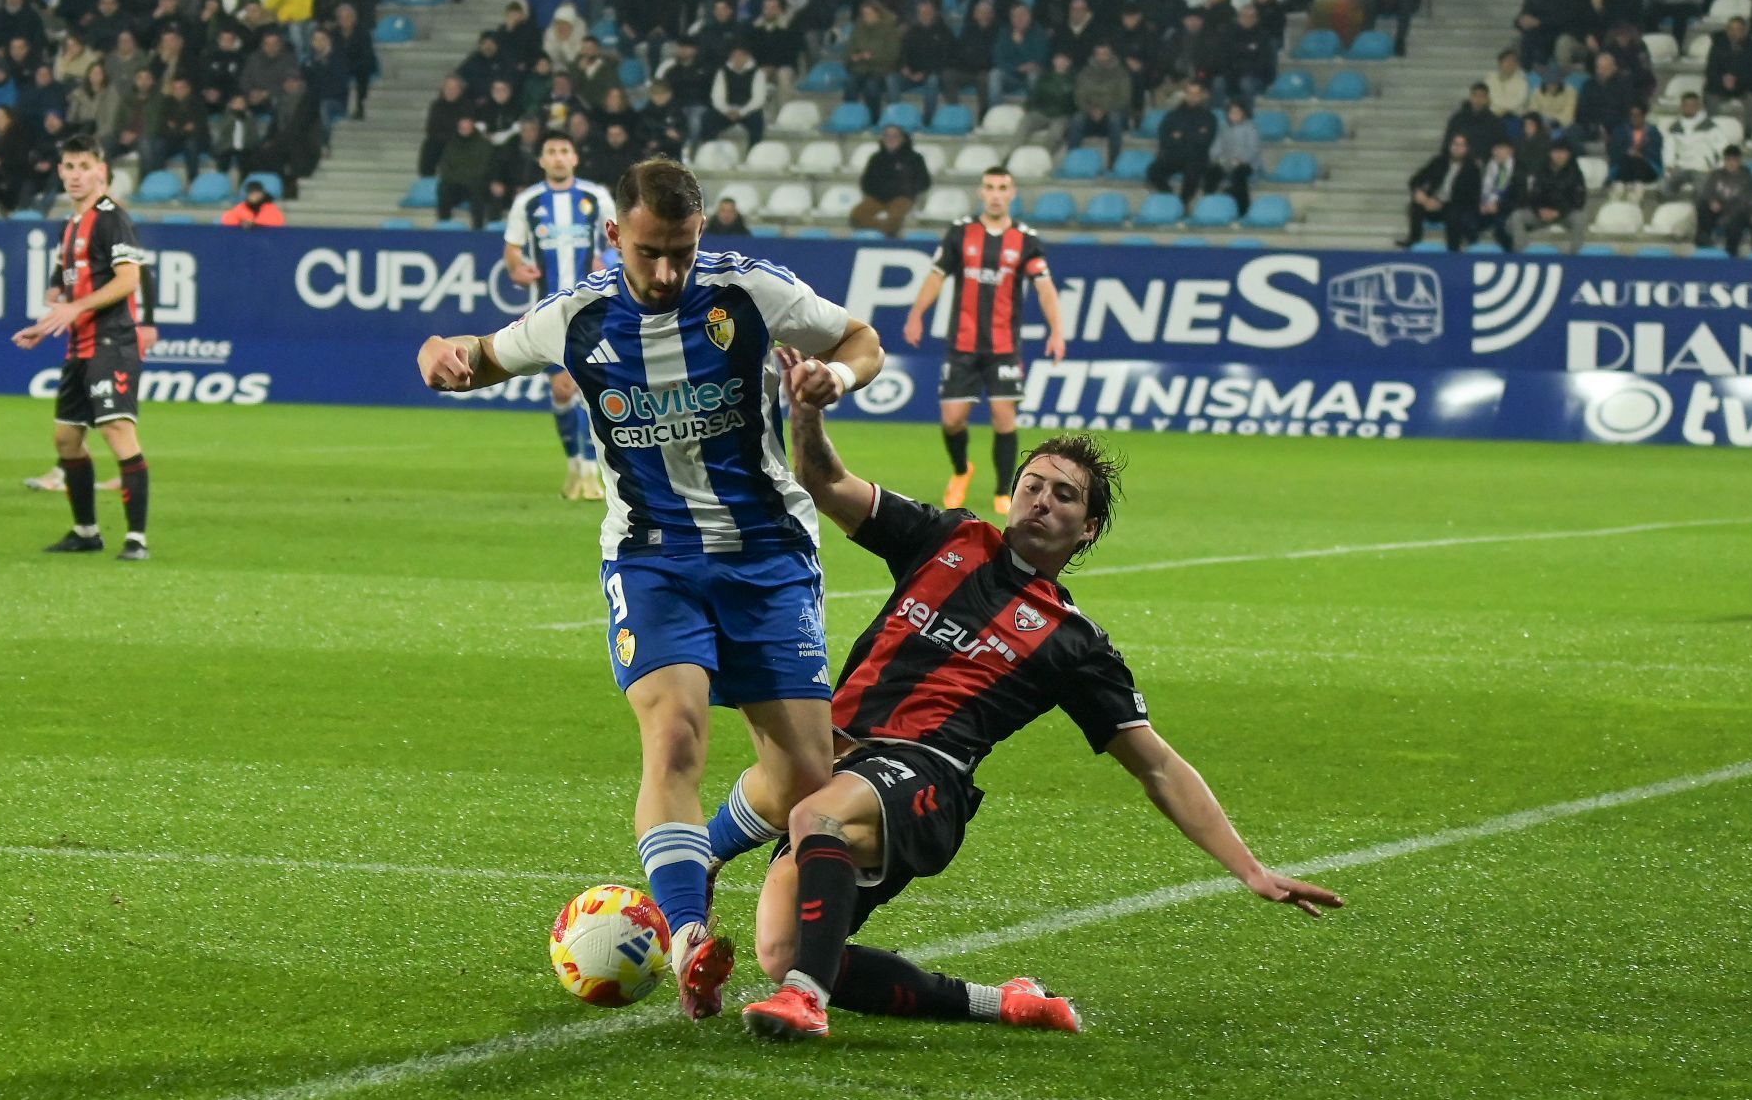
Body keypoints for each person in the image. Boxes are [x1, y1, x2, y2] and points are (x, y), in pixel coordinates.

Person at [415, 158, 884, 1022]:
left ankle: (694, 853)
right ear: (614, 237)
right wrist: (438, 354)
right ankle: (687, 938)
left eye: (681, 250)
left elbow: (862, 340)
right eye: (649, 252)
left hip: (768, 555)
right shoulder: (578, 317)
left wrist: (836, 379)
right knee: (674, 737)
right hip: (653, 555)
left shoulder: (749, 294)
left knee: (804, 780)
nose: (666, 271)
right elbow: (479, 357)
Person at [738, 402, 1344, 1041]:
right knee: (783, 952)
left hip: (928, 779)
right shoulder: (947, 538)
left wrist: (1249, 868)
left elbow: (1158, 766)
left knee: (816, 818)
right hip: (842, 760)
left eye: (1065, 495)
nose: (1042, 500)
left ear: (1089, 527)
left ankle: (806, 1002)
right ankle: (1009, 1004)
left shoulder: (1075, 643)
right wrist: (805, 413)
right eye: (1032, 484)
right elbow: (826, 482)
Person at [9, 135, 154, 562]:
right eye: (69, 167)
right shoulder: (71, 224)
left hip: (113, 341)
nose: (75, 175)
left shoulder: (111, 218)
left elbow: (129, 279)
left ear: (101, 171)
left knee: (116, 430)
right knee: (66, 439)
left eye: (83, 166)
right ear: (59, 172)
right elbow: (65, 292)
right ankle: (86, 531)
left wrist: (77, 308)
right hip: (80, 344)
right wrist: (45, 324)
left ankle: (137, 540)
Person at [901, 166, 1066, 511]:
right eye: (989, 187)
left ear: (1012, 193)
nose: (995, 193)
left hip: (1003, 347)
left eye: (1002, 187)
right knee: (952, 419)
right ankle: (962, 470)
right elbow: (936, 276)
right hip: (962, 344)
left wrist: (1057, 330)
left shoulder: (1025, 239)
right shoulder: (961, 233)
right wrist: (917, 314)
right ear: (981, 192)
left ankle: (1004, 492)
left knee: (1004, 416)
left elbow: (1045, 288)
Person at [501, 130, 617, 502]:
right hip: (546, 309)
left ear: (574, 158)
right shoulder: (528, 202)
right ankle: (576, 467)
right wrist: (516, 268)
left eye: (564, 151)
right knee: (562, 389)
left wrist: (608, 260)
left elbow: (620, 242)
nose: (558, 157)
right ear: (542, 160)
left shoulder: (595, 197)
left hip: (591, 309)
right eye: (551, 151)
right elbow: (512, 250)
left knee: (581, 386)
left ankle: (588, 473)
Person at [1502, 138, 1587, 252]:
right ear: (1550, 153)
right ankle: (1520, 254)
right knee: (1517, 217)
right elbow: (1531, 195)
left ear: (1569, 154)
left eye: (1563, 152)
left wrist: (1559, 212)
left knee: (1580, 218)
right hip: (1540, 213)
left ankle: (1576, 256)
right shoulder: (1539, 169)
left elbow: (1578, 200)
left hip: (1564, 214)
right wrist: (1540, 210)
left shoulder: (1576, 173)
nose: (1559, 156)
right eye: (1556, 152)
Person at [1400, 132, 1481, 249]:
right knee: (1415, 206)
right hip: (1432, 202)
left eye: (1461, 145)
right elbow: (1415, 180)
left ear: (1466, 148)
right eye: (1455, 144)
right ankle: (1414, 240)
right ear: (1450, 146)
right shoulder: (1439, 162)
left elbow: (1471, 197)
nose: (1457, 148)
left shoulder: (1472, 169)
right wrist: (1421, 194)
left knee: (1454, 214)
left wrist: (1441, 204)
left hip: (1455, 205)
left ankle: (1453, 249)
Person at [849, 124, 930, 237]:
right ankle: (881, 231)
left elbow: (924, 181)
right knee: (857, 215)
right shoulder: (876, 158)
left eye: (895, 136)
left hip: (903, 198)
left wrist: (907, 191)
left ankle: (887, 238)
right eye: (887, 136)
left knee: (894, 218)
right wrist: (875, 192)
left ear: (903, 138)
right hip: (878, 198)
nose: (891, 139)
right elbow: (866, 181)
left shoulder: (915, 158)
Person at [1146, 80, 1219, 204]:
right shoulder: (1173, 115)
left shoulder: (1209, 117)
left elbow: (1204, 142)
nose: (1193, 97)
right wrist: (1192, 135)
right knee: (1153, 171)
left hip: (1196, 158)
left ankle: (1183, 204)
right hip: (1174, 156)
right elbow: (1164, 138)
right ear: (1185, 94)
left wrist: (1180, 136)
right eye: (1190, 93)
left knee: (1193, 172)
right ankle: (1171, 199)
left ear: (1201, 96)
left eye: (1196, 94)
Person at [1694, 143, 1752, 254]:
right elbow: (1707, 192)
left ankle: (1731, 255)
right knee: (1702, 205)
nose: (1731, 163)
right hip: (1718, 211)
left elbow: (1745, 202)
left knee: (1737, 221)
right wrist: (1712, 201)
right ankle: (1704, 246)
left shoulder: (1747, 178)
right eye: (1728, 160)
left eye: (1734, 160)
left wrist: (1727, 215)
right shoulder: (1716, 175)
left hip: (1736, 214)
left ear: (1739, 161)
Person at [1206, 99, 1260, 214]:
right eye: (1232, 112)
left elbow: (1253, 149)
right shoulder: (1223, 128)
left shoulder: (1250, 128)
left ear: (1243, 113)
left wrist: (1241, 160)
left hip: (1245, 164)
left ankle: (1243, 210)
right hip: (1226, 162)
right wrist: (1217, 158)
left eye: (1237, 112)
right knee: (1211, 173)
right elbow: (1216, 146)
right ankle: (1209, 206)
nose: (1234, 115)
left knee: (1239, 175)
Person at [1473, 138, 1518, 246]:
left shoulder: (1518, 168)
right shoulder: (1492, 165)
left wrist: (1498, 205)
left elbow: (1518, 197)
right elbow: (1486, 188)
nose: (1497, 152)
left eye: (1501, 149)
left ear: (1510, 151)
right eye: (1496, 149)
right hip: (1489, 206)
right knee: (1466, 219)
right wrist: (1483, 204)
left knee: (1501, 227)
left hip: (1507, 207)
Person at [220, 179, 285, 226]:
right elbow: (227, 220)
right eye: (252, 193)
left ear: (263, 193)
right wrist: (240, 223)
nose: (255, 195)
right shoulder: (241, 207)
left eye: (258, 192)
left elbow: (277, 222)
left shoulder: (271, 207)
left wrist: (254, 224)